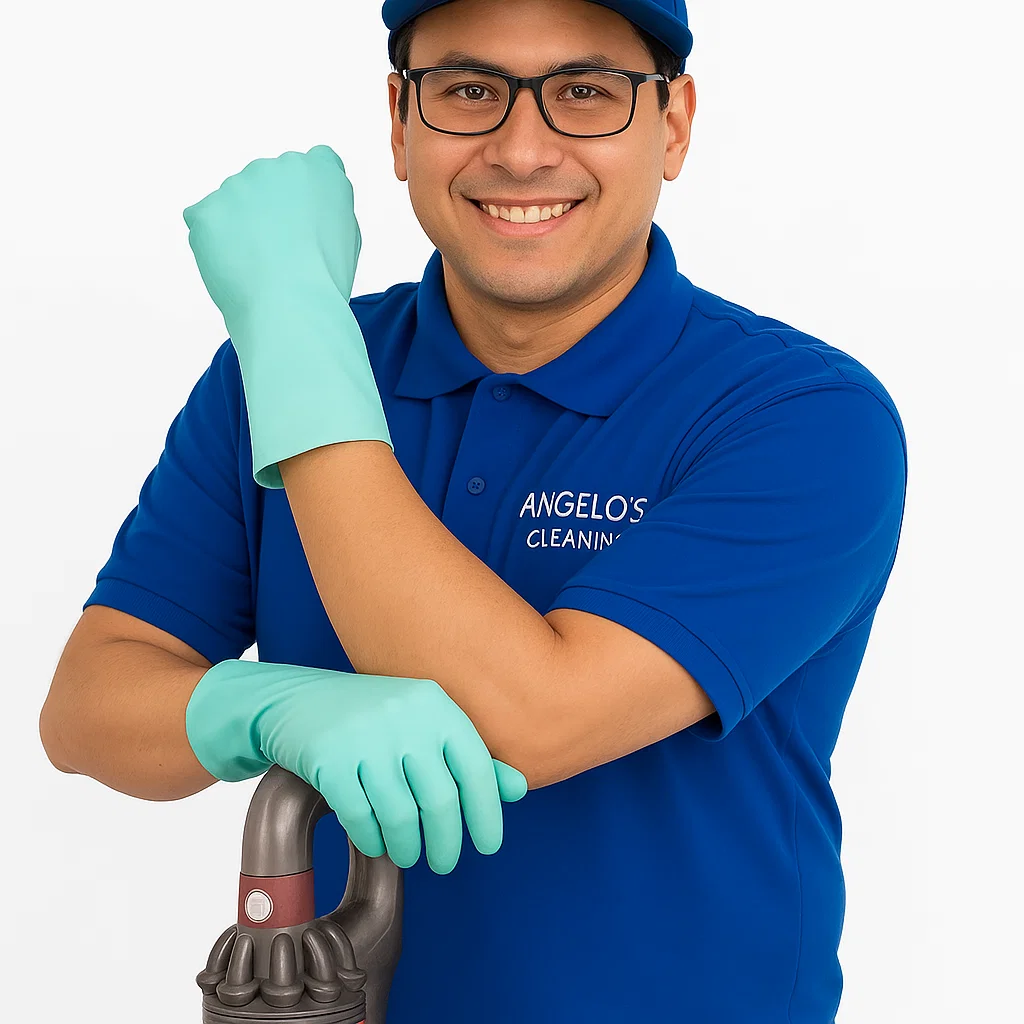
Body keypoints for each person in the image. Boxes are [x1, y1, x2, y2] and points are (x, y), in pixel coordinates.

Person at [38, 1, 909, 1021]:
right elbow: (89, 707)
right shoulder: (272, 374)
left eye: (584, 92)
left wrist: (295, 337)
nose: (523, 148)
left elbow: (529, 718)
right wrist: (261, 705)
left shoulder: (798, 416)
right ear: (401, 124)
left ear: (672, 125)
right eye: (468, 91)